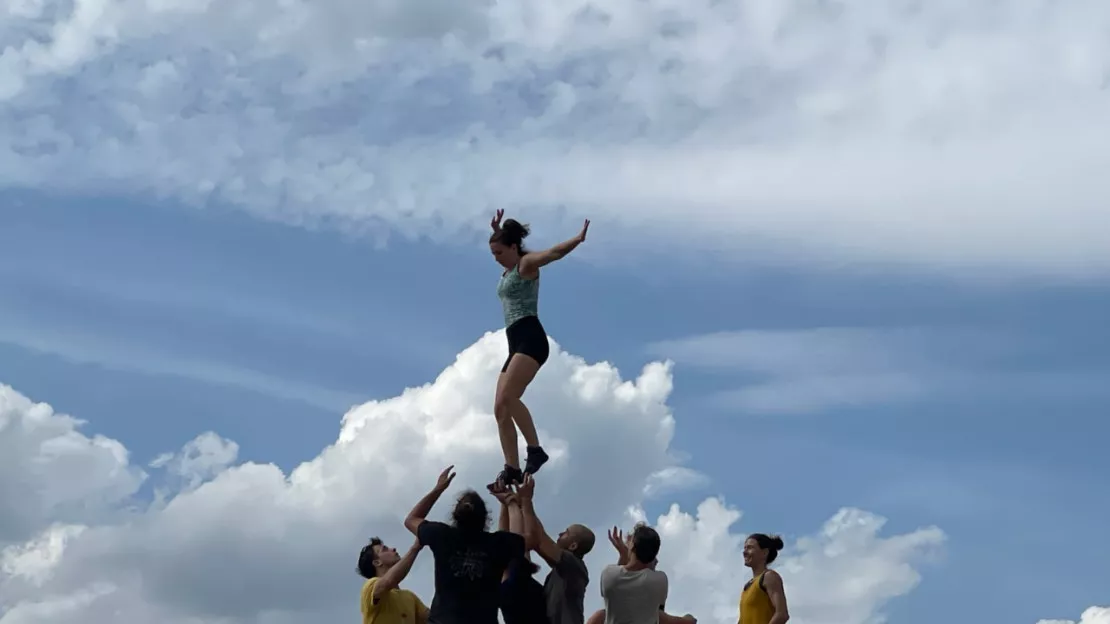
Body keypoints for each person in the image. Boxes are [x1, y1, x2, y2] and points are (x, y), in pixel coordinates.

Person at [487, 210, 590, 487]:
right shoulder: (508, 269)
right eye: (492, 252)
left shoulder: (526, 264)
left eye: (498, 251)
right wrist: (498, 229)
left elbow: (554, 253)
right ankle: (511, 466)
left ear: (513, 247)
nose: (494, 257)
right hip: (514, 342)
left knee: (509, 398)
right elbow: (502, 244)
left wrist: (577, 239)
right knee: (499, 408)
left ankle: (535, 449)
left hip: (531, 338)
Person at [403, 466, 526, 624]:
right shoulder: (497, 543)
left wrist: (438, 489)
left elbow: (411, 519)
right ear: (486, 518)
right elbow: (519, 539)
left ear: (455, 513)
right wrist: (511, 502)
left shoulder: (441, 534)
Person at [517, 474, 595, 624]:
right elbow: (537, 539)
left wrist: (526, 501)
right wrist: (522, 505)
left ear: (573, 545)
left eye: (566, 533)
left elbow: (541, 539)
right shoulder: (561, 570)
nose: (560, 534)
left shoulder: (574, 565)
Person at [586, 525, 695, 624]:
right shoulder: (660, 580)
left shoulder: (608, 574)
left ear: (632, 546)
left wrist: (624, 554)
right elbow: (659, 614)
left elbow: (616, 588)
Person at [490, 483, 550, 624]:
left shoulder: (509, 587)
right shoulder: (516, 583)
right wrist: (507, 502)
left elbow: (513, 540)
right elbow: (511, 540)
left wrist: (509, 502)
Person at [357, 536, 430, 624]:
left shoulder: (410, 597)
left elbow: (434, 619)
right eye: (385, 549)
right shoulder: (370, 586)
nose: (393, 549)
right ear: (377, 562)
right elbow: (388, 582)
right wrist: (416, 547)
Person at [738, 534, 790, 624]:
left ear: (765, 553)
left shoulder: (769, 577)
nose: (744, 552)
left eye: (750, 548)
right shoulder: (747, 587)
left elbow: (781, 614)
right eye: (745, 548)